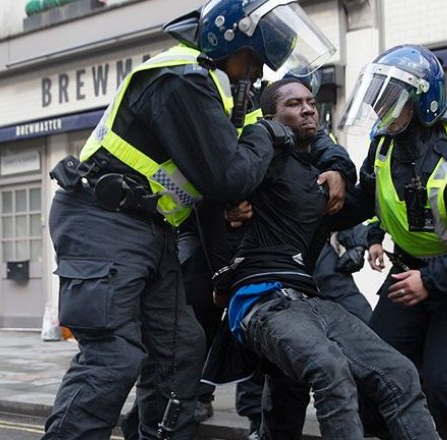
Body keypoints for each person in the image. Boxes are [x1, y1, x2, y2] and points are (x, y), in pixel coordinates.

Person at [42, 0, 336, 438]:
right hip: (103, 220)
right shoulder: (181, 80)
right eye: (254, 60)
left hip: (152, 228)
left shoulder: (230, 91)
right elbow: (232, 176)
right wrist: (259, 140)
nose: (257, 74)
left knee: (181, 353)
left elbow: (286, 140)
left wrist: (336, 165)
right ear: (229, 42)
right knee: (115, 356)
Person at [200, 78, 439, 439]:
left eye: (311, 102)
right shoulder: (259, 156)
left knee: (400, 373)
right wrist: (267, 134)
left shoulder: (314, 175)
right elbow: (221, 185)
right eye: (294, 104)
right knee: (330, 369)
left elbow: (354, 204)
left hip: (311, 300)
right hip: (262, 301)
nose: (308, 108)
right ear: (271, 115)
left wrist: (347, 170)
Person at [338, 44, 447, 439]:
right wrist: (319, 197)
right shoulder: (383, 148)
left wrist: (431, 281)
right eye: (376, 96)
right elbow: (362, 201)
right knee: (375, 371)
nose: (380, 107)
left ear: (422, 102)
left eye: (390, 98)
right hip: (410, 274)